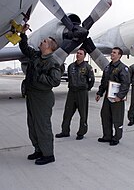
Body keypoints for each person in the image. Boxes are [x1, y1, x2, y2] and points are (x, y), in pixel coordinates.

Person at [19, 24, 62, 165]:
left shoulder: (53, 62)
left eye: (43, 42)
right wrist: (23, 34)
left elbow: (55, 81)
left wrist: (38, 76)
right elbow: (24, 48)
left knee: (42, 126)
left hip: (42, 97)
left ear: (49, 47)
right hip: (32, 95)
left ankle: (48, 154)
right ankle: (38, 150)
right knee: (32, 124)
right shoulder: (36, 55)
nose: (41, 42)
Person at [55, 48, 95, 140]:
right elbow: (69, 78)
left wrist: (86, 89)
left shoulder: (87, 67)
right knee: (67, 112)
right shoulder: (71, 66)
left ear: (84, 56)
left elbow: (91, 80)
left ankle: (81, 132)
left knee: (83, 114)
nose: (78, 55)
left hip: (82, 92)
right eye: (77, 53)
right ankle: (65, 131)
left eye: (80, 54)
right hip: (72, 92)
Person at [96, 47, 130, 146]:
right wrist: (99, 93)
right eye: (112, 52)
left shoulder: (123, 68)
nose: (112, 54)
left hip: (117, 99)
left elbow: (126, 84)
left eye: (114, 53)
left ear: (119, 55)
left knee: (117, 118)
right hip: (108, 96)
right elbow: (104, 82)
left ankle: (116, 137)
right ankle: (107, 136)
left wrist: (119, 96)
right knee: (105, 116)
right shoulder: (107, 67)